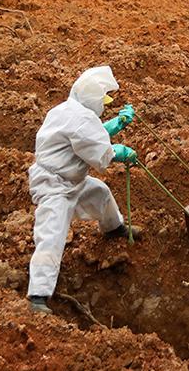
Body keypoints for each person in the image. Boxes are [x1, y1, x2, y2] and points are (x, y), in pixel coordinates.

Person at [26, 66, 141, 314]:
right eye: (102, 100)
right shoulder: (81, 120)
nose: (103, 105)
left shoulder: (67, 110)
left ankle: (114, 228)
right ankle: (38, 295)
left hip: (72, 181)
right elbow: (100, 152)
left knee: (101, 194)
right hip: (54, 187)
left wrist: (117, 124)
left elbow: (88, 135)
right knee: (52, 234)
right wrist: (120, 152)